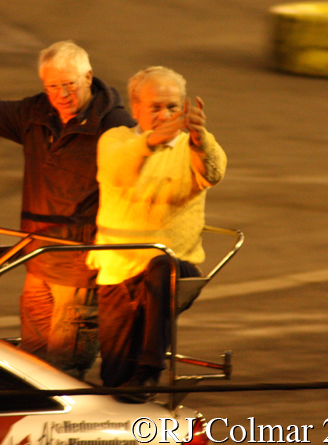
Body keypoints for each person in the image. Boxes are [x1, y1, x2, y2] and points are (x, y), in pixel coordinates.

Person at [0, 24, 135, 378]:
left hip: (80, 272)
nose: (62, 95)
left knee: (63, 371)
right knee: (30, 367)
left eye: (70, 84)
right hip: (38, 261)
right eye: (53, 87)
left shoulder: (114, 127)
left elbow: (137, 185)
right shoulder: (36, 115)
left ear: (88, 77)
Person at [86, 66, 227, 400]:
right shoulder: (115, 140)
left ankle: (151, 369)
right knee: (116, 377)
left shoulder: (194, 146)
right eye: (156, 107)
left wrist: (200, 139)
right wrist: (151, 141)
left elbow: (214, 171)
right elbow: (117, 172)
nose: (165, 115)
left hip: (175, 270)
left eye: (173, 107)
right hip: (118, 271)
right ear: (135, 108)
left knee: (162, 263)